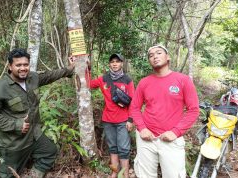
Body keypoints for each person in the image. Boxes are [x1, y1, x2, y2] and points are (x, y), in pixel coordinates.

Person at [0, 48, 74, 178]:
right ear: (10, 66)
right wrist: (16, 125)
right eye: (18, 65)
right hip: (13, 143)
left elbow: (50, 76)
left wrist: (70, 69)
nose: (23, 68)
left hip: (34, 135)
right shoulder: (1, 88)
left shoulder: (33, 78)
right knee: (7, 175)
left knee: (50, 152)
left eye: (25, 64)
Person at [130, 45, 199, 178]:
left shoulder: (183, 80)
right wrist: (142, 128)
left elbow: (193, 110)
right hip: (146, 139)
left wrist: (176, 132)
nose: (155, 56)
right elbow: (134, 107)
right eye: (151, 55)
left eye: (159, 53)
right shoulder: (144, 82)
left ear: (168, 57)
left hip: (171, 140)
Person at [85, 53, 135, 178]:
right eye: (112, 62)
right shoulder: (104, 79)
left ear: (121, 63)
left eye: (117, 61)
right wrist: (88, 68)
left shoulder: (127, 80)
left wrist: (130, 120)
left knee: (123, 148)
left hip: (123, 120)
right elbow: (88, 84)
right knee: (113, 148)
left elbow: (133, 102)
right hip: (108, 120)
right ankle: (114, 172)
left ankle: (124, 175)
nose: (115, 64)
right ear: (109, 64)